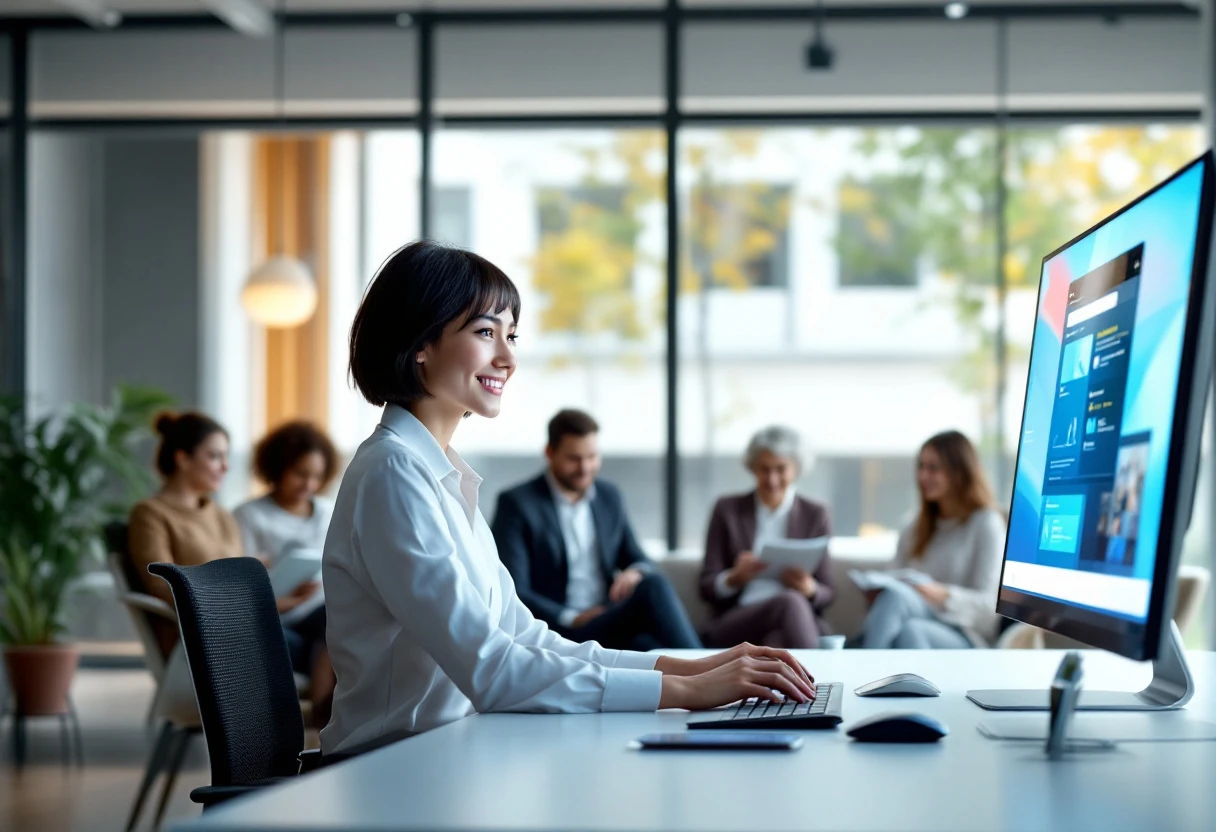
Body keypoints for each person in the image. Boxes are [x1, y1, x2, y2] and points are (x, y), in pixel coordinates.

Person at [320, 241, 815, 757]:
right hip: (396, 766)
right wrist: (686, 692)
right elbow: (491, 669)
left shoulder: (441, 475)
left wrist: (692, 668)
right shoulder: (394, 473)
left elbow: (525, 638)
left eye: (511, 336)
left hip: (453, 749)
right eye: (486, 333)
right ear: (420, 342)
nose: (508, 358)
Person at [491, 409, 701, 651]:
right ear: (549, 453)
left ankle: (703, 664)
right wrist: (572, 617)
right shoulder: (517, 504)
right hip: (560, 627)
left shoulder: (608, 496)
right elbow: (514, 588)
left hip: (607, 617)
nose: (585, 468)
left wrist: (635, 571)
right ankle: (706, 664)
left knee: (652, 639)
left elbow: (638, 558)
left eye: (591, 457)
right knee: (654, 590)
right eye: (574, 458)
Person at [858, 430, 1005, 649]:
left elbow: (989, 609)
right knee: (903, 615)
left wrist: (941, 594)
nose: (922, 476)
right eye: (921, 466)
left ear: (959, 472)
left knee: (907, 618)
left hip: (965, 635)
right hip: (912, 619)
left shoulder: (985, 523)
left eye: (933, 468)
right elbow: (892, 579)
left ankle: (866, 666)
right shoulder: (913, 525)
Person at [234, 420, 339, 726]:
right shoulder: (249, 515)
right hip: (279, 617)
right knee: (335, 628)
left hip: (321, 613)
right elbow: (240, 581)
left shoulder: (328, 511)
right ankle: (324, 719)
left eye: (316, 477)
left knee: (339, 617)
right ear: (277, 468)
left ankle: (323, 720)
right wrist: (284, 591)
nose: (308, 485)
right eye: (300, 474)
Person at [699, 426, 835, 649]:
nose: (772, 479)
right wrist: (734, 578)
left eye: (781, 469)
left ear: (796, 468)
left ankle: (799, 673)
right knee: (789, 601)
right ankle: (816, 672)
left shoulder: (815, 514)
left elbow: (828, 590)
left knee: (776, 640)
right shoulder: (727, 510)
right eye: (764, 469)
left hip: (796, 621)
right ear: (753, 468)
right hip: (738, 618)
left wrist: (810, 588)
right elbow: (705, 586)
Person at [128, 412, 243, 658]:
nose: (226, 467)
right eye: (215, 456)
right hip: (197, 633)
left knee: (320, 629)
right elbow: (162, 584)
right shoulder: (150, 514)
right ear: (182, 459)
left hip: (238, 620)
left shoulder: (222, 515)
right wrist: (231, 601)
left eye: (226, 457)